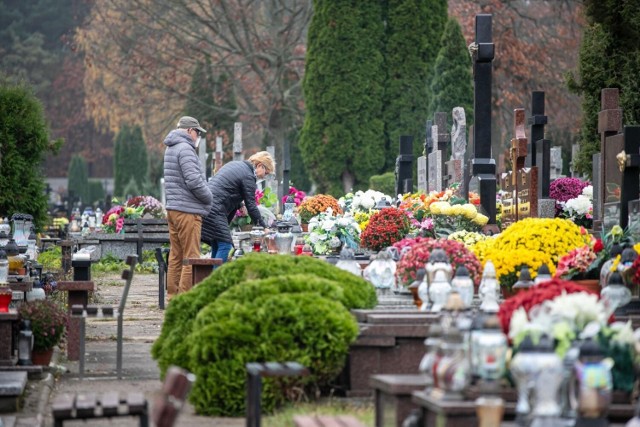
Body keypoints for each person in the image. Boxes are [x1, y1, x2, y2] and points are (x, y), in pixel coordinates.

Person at [163, 116, 213, 298]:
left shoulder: (171, 147)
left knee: (176, 256)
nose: (197, 136)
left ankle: (172, 296)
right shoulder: (185, 149)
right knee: (192, 257)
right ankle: (184, 299)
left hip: (173, 208)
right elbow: (194, 181)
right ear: (190, 131)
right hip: (187, 210)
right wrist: (209, 197)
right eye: (197, 132)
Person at [201, 151, 275, 262]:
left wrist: (240, 204)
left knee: (217, 243)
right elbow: (251, 205)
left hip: (207, 206)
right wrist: (264, 227)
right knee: (225, 245)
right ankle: (216, 277)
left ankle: (212, 274)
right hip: (216, 209)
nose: (264, 177)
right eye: (266, 173)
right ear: (260, 165)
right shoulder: (249, 176)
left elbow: (227, 187)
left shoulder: (237, 165)